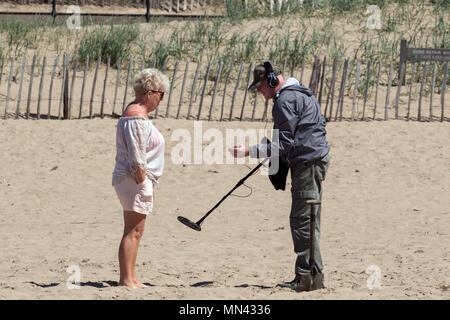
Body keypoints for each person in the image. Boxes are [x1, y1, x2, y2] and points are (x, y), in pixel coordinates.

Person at [230, 62, 331, 292]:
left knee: (301, 220)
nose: (260, 93)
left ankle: (305, 277)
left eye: (260, 87)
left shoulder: (285, 101)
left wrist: (249, 151)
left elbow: (283, 144)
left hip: (307, 164)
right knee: (310, 219)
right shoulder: (303, 92)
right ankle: (314, 276)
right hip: (314, 161)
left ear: (271, 81)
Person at [112, 68, 169, 288]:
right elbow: (137, 158)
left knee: (136, 230)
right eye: (160, 94)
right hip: (134, 179)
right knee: (133, 230)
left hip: (134, 179)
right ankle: (127, 279)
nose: (161, 99)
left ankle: (131, 277)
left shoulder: (136, 113)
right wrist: (143, 182)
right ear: (148, 92)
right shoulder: (136, 116)